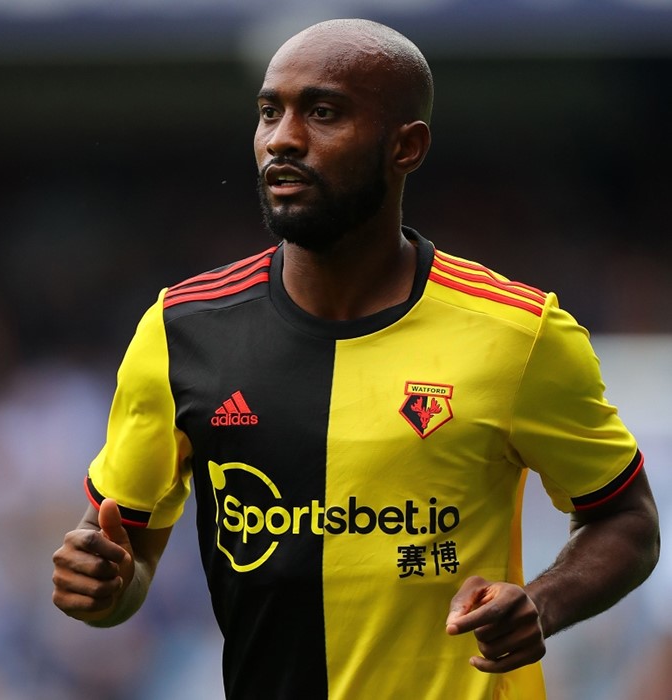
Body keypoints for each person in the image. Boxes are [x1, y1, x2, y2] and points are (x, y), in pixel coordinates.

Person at [52, 18, 660, 700]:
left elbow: (626, 520)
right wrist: (101, 586)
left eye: (323, 113)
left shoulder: (518, 334)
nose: (282, 138)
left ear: (406, 146)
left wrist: (541, 605)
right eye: (269, 112)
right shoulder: (180, 330)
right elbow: (123, 567)